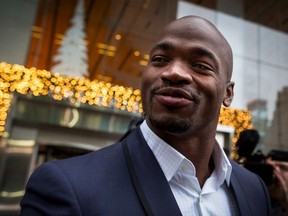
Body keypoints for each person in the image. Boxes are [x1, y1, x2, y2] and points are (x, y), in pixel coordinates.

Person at [20, 15, 271, 215]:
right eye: (160, 59)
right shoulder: (66, 186)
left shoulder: (254, 190)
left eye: (199, 65)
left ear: (228, 94)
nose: (173, 72)